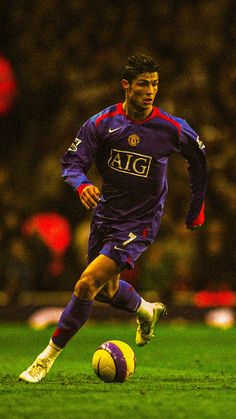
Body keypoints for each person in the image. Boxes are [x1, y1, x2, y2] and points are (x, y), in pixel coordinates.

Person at [19, 54, 207, 383]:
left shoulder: (171, 127)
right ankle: (147, 310)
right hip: (106, 215)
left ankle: (44, 360)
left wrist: (197, 208)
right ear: (126, 86)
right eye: (143, 84)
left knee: (86, 284)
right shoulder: (102, 124)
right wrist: (82, 185)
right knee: (106, 292)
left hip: (140, 223)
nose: (150, 91)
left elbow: (199, 159)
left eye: (154, 84)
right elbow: (72, 163)